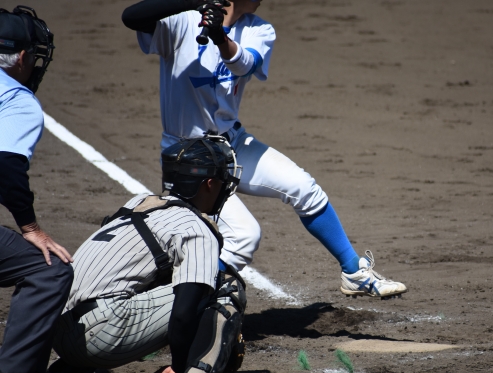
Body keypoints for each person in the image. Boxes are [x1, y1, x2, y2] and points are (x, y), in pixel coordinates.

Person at [121, 0, 408, 299]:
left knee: (303, 187)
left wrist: (219, 35)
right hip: (187, 158)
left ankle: (354, 271)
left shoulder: (259, 29)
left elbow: (245, 64)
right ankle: (175, 302)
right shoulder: (181, 22)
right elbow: (131, 16)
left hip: (230, 144)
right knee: (244, 236)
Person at [51, 136, 255, 373]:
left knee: (156, 275)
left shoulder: (139, 204)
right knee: (224, 285)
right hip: (101, 336)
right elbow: (184, 315)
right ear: (209, 184)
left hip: (59, 332)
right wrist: (179, 368)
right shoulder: (195, 229)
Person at [0, 5, 74, 373]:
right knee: (48, 270)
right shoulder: (18, 101)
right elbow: (6, 165)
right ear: (24, 58)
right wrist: (30, 227)